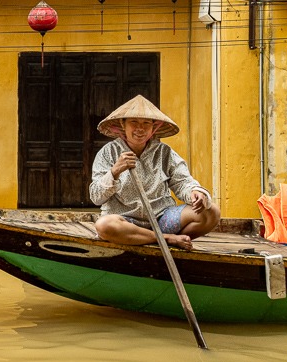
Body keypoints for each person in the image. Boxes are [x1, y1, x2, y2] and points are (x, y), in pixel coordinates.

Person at [89, 95, 220, 251]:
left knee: (211, 212)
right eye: (134, 122)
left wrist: (195, 192)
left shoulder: (164, 152)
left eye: (146, 123)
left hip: (162, 220)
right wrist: (115, 171)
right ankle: (166, 240)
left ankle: (149, 238)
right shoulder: (108, 153)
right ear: (123, 125)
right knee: (104, 225)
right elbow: (96, 197)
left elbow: (182, 181)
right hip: (126, 222)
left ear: (154, 128)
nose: (140, 128)